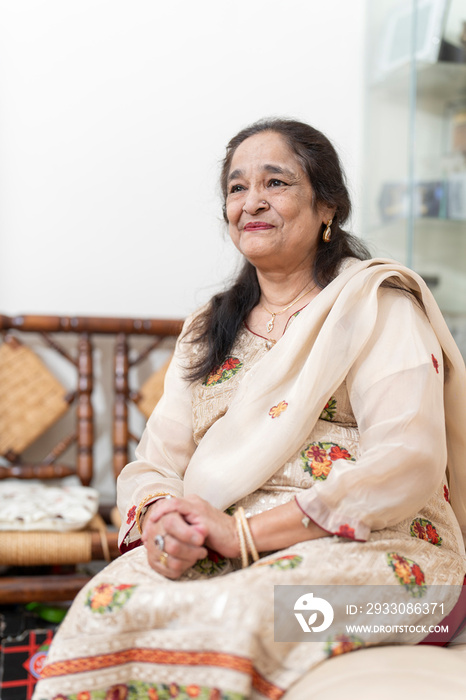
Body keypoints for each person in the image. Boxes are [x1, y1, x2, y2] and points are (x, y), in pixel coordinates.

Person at [35, 118, 466, 699]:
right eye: (237, 188)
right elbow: (155, 462)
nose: (252, 202)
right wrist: (165, 519)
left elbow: (408, 459)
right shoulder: (208, 329)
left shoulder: (375, 305)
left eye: (276, 183)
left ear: (327, 208)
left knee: (246, 611)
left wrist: (245, 535)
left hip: (378, 555)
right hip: (219, 543)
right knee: (106, 605)